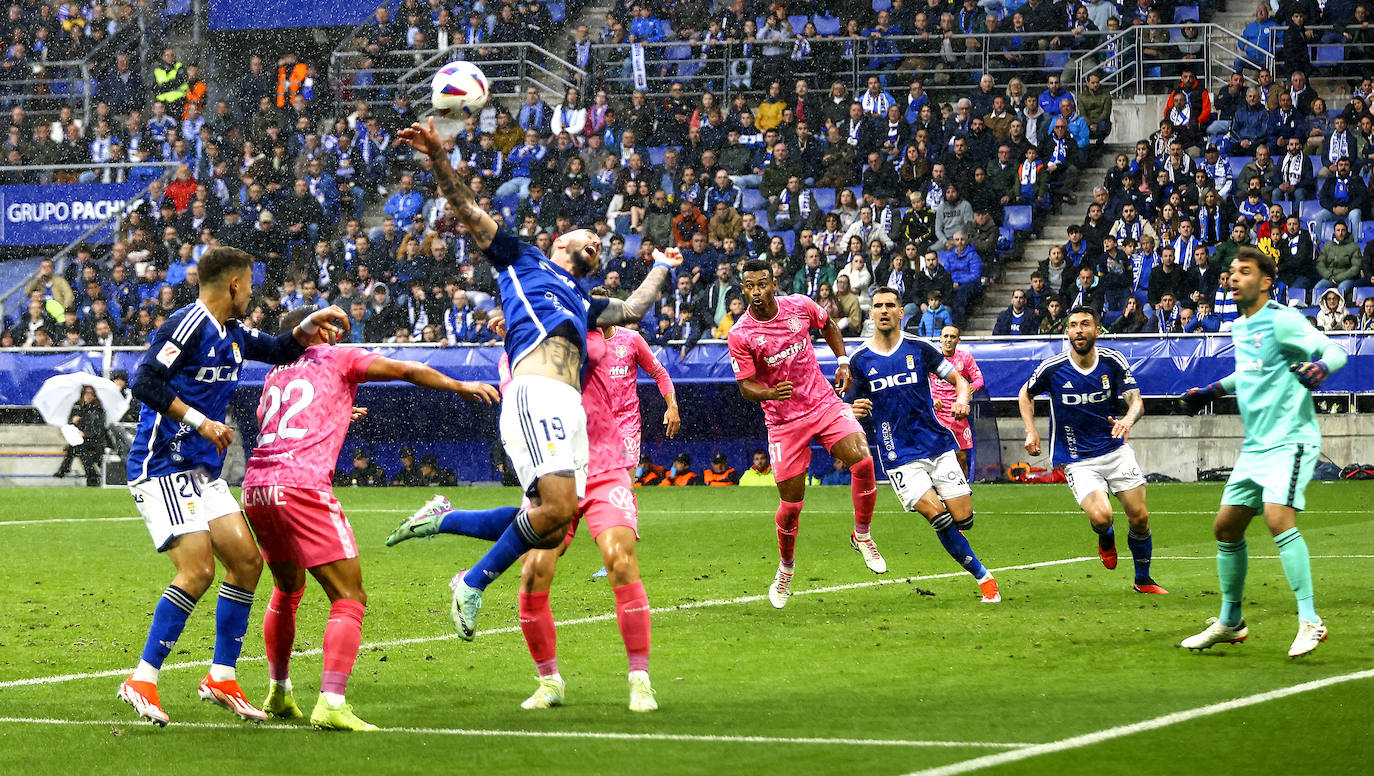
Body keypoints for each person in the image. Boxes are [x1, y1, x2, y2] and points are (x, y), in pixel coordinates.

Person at [387, 118, 679, 640]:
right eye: (589, 238)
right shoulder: (522, 258)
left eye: (601, 246)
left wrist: (661, 264)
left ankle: (443, 520)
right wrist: (436, 156)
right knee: (556, 512)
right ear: (560, 238)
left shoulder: (583, 301)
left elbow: (633, 308)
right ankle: (472, 583)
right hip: (535, 392)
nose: (597, 243)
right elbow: (466, 209)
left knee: (553, 518)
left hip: (568, 408)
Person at [391, 290, 678, 713]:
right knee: (533, 572)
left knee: (619, 557)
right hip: (553, 466)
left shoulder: (586, 335)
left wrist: (658, 270)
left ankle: (640, 681)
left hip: (602, 462)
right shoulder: (515, 359)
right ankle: (549, 682)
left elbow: (609, 323)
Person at [118, 247, 350, 727]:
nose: (252, 294)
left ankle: (221, 676)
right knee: (198, 570)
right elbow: (144, 382)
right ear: (234, 285)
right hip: (162, 466)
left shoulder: (236, 332)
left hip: (202, 471)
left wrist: (310, 326)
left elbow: (282, 349)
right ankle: (141, 678)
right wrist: (200, 420)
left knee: (247, 563)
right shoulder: (186, 326)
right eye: (250, 285)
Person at [242, 306, 496, 730]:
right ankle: (332, 703)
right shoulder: (337, 357)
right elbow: (406, 369)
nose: (337, 335)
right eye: (331, 328)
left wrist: (338, 411)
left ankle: (280, 691)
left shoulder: (275, 373)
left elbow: (276, 422)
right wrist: (458, 385)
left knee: (287, 589)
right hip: (302, 487)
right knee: (349, 597)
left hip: (257, 486)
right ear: (316, 330)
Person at [1179, 247, 1348, 657]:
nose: (1234, 277)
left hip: (1291, 438)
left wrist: (1320, 368)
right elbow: (1251, 371)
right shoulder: (1241, 326)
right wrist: (1212, 391)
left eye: (1244, 271)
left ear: (1266, 281)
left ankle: (1310, 621)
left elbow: (1336, 352)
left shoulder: (1283, 320)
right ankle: (1231, 621)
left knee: (1277, 518)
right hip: (1256, 446)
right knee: (1226, 528)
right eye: (1232, 271)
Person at [727, 259, 878, 608]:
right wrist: (768, 393)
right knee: (792, 506)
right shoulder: (741, 334)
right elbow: (745, 386)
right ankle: (785, 569)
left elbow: (827, 326)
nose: (756, 292)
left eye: (762, 284)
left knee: (863, 461)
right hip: (783, 422)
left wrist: (842, 361)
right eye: (749, 286)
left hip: (823, 403)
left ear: (773, 281)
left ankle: (863, 534)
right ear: (743, 289)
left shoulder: (800, 305)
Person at [847, 288, 999, 603]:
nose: (884, 310)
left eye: (890, 305)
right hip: (897, 452)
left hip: (937, 443)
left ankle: (960, 540)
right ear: (871, 314)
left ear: (902, 312)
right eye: (878, 306)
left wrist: (961, 399)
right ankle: (985, 579)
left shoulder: (920, 348)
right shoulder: (859, 360)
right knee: (940, 518)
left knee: (964, 519)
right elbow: (843, 405)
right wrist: (850, 410)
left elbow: (961, 380)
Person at [1018, 306, 1166, 595]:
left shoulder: (1112, 361)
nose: (1079, 330)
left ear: (1097, 330)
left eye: (1085, 324)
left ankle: (1143, 580)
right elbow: (1025, 393)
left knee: (1140, 517)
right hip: (1077, 458)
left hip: (1115, 450)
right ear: (1067, 331)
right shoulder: (1053, 367)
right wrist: (1030, 429)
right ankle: (1106, 537)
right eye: (1073, 325)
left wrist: (1127, 419)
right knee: (1102, 517)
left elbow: (1136, 401)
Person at [931, 326, 984, 475]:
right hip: (937, 413)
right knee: (937, 456)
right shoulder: (932, 357)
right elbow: (921, 383)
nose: (948, 340)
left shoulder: (965, 357)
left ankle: (963, 489)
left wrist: (967, 390)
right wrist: (932, 399)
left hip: (958, 413)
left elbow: (979, 379)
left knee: (961, 456)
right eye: (946, 336)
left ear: (958, 340)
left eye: (953, 337)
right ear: (940, 338)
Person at [54, 385, 106, 487]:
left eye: (91, 393)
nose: (89, 396)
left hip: (95, 442)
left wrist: (85, 433)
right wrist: (73, 421)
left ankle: (65, 469)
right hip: (83, 441)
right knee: (77, 447)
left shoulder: (98, 410)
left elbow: (98, 429)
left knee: (76, 448)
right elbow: (72, 427)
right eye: (86, 393)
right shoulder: (79, 409)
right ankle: (91, 476)